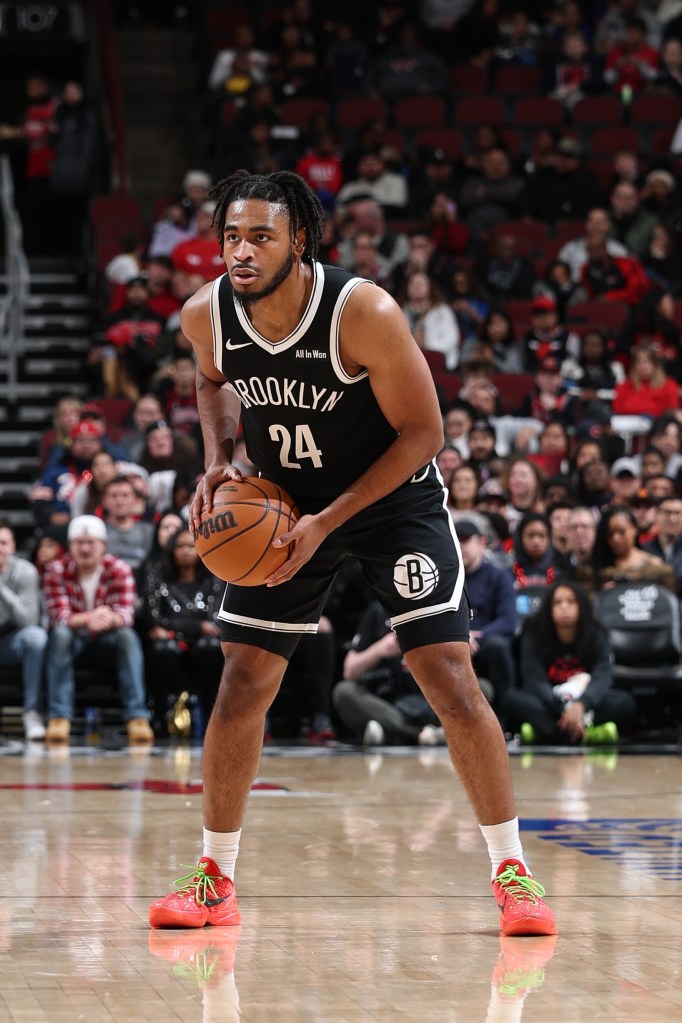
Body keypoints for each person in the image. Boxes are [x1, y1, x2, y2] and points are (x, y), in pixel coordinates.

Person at [147, 169, 556, 936]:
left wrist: (329, 520)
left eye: (260, 236)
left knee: (446, 673)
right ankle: (214, 877)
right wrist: (218, 456)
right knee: (242, 678)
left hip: (388, 499)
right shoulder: (207, 315)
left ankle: (514, 873)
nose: (240, 251)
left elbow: (425, 435)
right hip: (281, 503)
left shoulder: (362, 312)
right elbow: (207, 380)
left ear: (299, 240)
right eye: (231, 236)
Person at [42, 515, 153, 745]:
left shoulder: (119, 569)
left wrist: (109, 618)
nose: (85, 548)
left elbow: (125, 615)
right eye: (79, 543)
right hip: (74, 639)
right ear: (70, 546)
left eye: (91, 542)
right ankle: (59, 716)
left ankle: (137, 717)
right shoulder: (55, 569)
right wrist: (89, 618)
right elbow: (58, 616)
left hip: (107, 639)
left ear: (103, 545)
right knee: (60, 635)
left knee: (128, 637)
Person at [503, 581, 637, 745]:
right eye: (557, 602)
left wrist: (581, 705)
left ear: (581, 605)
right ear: (549, 608)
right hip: (549, 703)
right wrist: (562, 710)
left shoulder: (596, 632)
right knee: (511, 698)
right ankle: (585, 731)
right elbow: (534, 679)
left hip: (584, 702)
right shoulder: (533, 632)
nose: (564, 607)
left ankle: (550, 732)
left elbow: (602, 675)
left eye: (571, 601)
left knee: (624, 702)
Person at [138, 526, 224, 734]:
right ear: (171, 550)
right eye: (180, 546)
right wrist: (198, 627)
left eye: (191, 545)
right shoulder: (157, 576)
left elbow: (214, 623)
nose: (186, 551)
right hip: (169, 645)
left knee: (211, 646)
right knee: (162, 648)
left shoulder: (213, 578)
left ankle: (212, 716)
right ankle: (158, 715)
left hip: (201, 646)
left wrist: (175, 627)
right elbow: (154, 618)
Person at [333, 598, 445, 746]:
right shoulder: (377, 610)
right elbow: (349, 671)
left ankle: (389, 733)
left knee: (481, 687)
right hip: (386, 706)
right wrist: (378, 650)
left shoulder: (439, 608)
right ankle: (424, 735)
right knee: (344, 691)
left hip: (431, 702)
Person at [456, 519, 517, 713]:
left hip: (484, 648)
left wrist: (476, 636)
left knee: (497, 646)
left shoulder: (499, 577)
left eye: (465, 540)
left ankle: (504, 715)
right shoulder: (446, 579)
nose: (459, 545)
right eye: (455, 540)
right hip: (455, 646)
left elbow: (508, 621)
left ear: (482, 543)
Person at [0, 519, 49, 741]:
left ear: (12, 546)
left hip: (10, 640)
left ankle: (31, 712)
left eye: (2, 543)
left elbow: (29, 619)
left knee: (36, 638)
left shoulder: (26, 572)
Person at [592, 505, 676, 592]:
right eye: (610, 534)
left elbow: (668, 600)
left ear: (634, 529)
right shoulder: (597, 567)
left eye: (622, 532)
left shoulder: (655, 565)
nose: (615, 539)